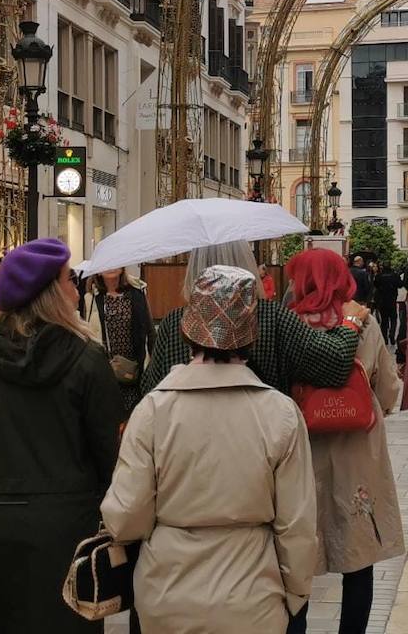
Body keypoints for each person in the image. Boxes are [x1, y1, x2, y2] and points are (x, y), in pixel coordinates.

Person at [102, 265, 316, 634]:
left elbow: (125, 517)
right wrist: (293, 597)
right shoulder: (280, 414)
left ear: (188, 333)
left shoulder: (153, 410)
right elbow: (297, 526)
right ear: (251, 336)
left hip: (166, 598)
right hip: (253, 599)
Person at [0, 238, 122, 634]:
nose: (77, 290)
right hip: (68, 526)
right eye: (70, 280)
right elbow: (109, 454)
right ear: (52, 292)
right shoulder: (87, 359)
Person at [284, 250, 404, 634]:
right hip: (357, 450)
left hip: (302, 452)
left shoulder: (287, 323)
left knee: (298, 555)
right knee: (358, 555)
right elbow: (387, 388)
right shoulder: (362, 320)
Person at [140, 240, 365, 398]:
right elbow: (333, 363)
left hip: (187, 442)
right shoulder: (271, 315)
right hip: (260, 438)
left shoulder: (175, 321)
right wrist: (350, 321)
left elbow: (151, 386)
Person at [83, 266, 153, 418]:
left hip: (134, 366)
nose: (110, 267)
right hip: (106, 368)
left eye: (115, 263)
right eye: (105, 264)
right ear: (98, 271)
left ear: (122, 268)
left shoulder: (136, 293)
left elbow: (148, 328)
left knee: (134, 414)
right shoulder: (91, 298)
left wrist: (151, 357)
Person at [371, 261, 402, 349]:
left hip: (382, 301)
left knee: (384, 321)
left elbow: (375, 285)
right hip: (392, 300)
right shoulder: (395, 275)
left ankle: (385, 338)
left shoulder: (379, 276)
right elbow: (400, 284)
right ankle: (392, 334)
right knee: (393, 319)